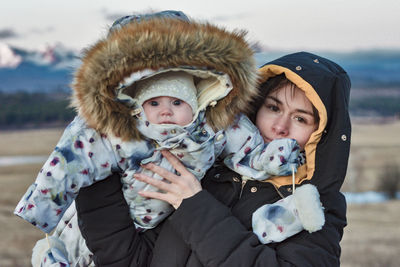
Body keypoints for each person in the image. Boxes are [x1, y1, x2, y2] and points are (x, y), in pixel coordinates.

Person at [15, 11, 307, 267]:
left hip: (160, 227)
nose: (166, 111)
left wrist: (272, 159)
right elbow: (66, 164)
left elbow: (246, 149)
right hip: (116, 217)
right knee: (73, 246)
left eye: (177, 103)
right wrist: (40, 205)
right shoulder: (108, 130)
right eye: (155, 103)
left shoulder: (213, 125)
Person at [74, 51, 351, 266]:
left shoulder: (314, 207)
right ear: (254, 107)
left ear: (321, 134)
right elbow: (130, 259)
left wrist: (195, 207)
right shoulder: (208, 170)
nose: (280, 126)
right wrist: (96, 173)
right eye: (273, 107)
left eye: (300, 118)